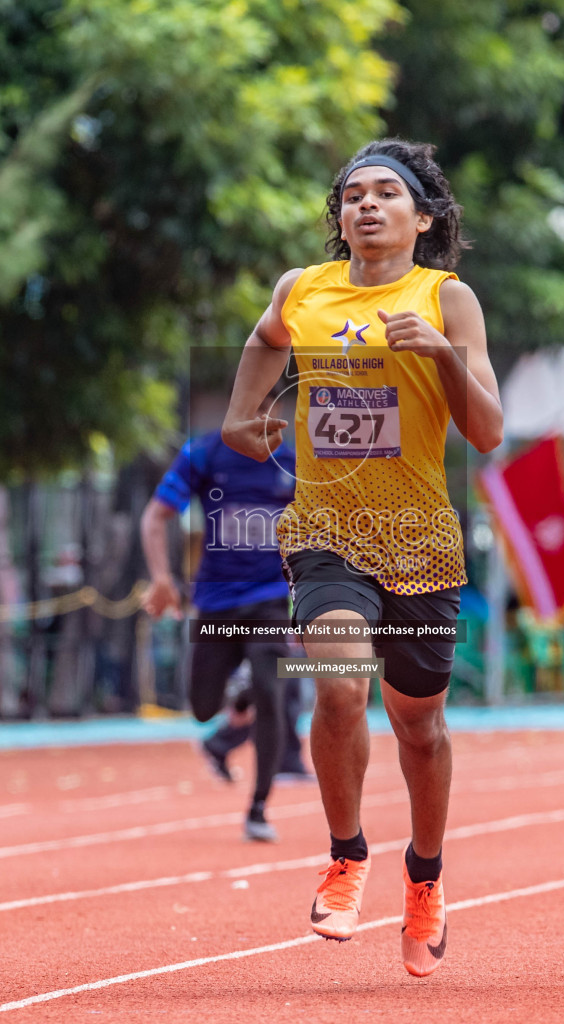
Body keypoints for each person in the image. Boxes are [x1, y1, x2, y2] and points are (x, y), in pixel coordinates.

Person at [219, 139, 503, 976]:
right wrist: (245, 416)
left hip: (420, 538)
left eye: (386, 194)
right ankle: (346, 855)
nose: (366, 206)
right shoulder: (300, 290)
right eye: (352, 196)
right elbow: (263, 341)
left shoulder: (447, 299)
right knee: (339, 686)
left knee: (420, 725)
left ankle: (426, 876)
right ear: (340, 218)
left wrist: (442, 355)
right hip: (326, 531)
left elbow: (487, 432)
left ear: (424, 218)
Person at [139, 404, 304, 843]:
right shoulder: (205, 453)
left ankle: (258, 808)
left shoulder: (295, 463)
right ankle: (238, 693)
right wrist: (161, 578)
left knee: (273, 690)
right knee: (203, 707)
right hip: (215, 603)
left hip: (268, 599)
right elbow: (156, 517)